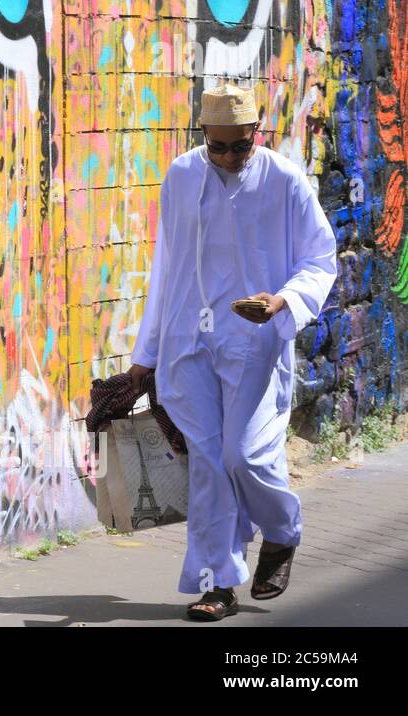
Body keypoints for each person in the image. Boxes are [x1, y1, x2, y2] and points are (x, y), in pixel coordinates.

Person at [128, 83, 337, 621]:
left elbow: (320, 259)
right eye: (217, 146)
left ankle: (282, 530)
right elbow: (167, 264)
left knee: (242, 456)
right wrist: (146, 352)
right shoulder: (181, 175)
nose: (227, 157)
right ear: (203, 134)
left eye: (239, 146)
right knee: (209, 466)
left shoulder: (284, 180)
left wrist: (283, 300)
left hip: (254, 344)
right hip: (188, 343)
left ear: (256, 133)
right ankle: (218, 583)